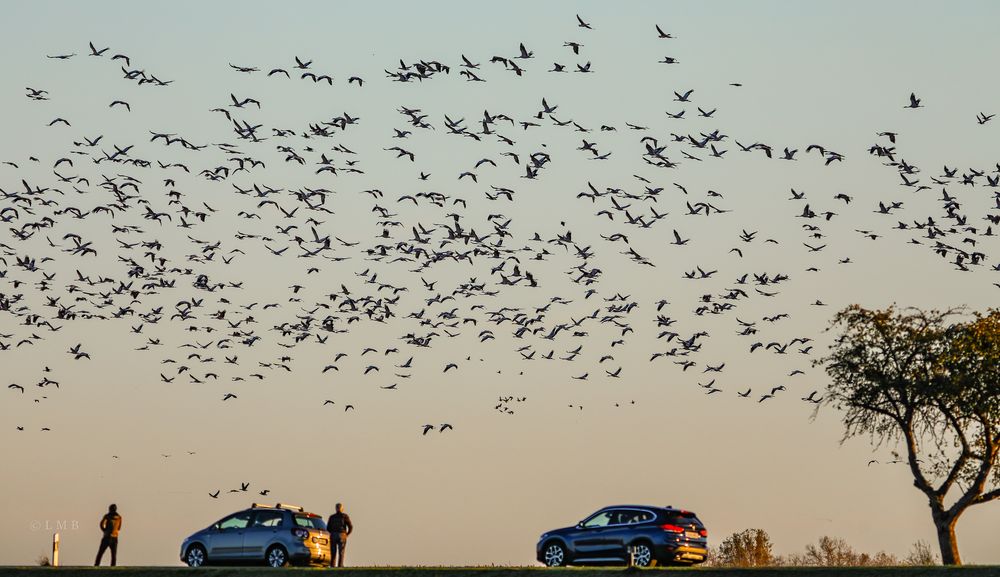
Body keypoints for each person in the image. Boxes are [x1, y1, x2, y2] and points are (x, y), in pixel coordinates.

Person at [326, 503, 353, 567]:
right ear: (342, 509)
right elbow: (350, 526)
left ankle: (332, 566)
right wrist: (347, 534)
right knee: (341, 552)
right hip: (342, 535)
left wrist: (332, 533)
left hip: (333, 534)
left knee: (333, 552)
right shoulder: (345, 516)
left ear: (336, 508)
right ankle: (340, 566)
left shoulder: (332, 517)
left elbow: (328, 528)